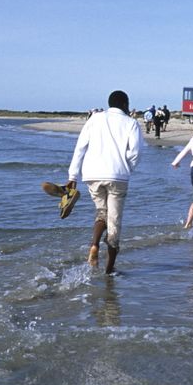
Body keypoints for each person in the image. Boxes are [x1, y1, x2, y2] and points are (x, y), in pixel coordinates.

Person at [67, 90, 143, 274]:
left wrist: (72, 177)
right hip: (118, 176)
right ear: (125, 104)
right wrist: (127, 169)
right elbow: (135, 152)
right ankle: (109, 271)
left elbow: (80, 148)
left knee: (101, 213)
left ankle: (94, 245)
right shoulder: (131, 123)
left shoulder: (94, 118)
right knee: (114, 222)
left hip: (92, 174)